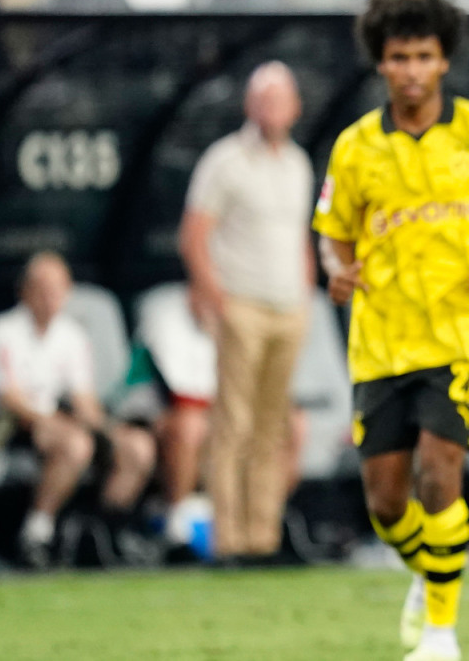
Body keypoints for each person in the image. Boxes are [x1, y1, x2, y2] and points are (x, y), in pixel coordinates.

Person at [313, 0, 469, 661]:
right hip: (380, 340)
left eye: (424, 55)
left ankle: (441, 636)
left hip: (460, 334)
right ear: (381, 64)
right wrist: (335, 268)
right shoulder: (356, 146)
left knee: (439, 473)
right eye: (399, 58)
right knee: (387, 505)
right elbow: (332, 231)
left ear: (444, 60)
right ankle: (430, 571)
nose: (412, 70)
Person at [179, 62, 316, 562]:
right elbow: (194, 234)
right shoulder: (225, 161)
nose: (271, 109)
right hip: (243, 305)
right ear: (248, 105)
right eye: (263, 99)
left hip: (288, 309)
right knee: (233, 422)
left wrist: (305, 296)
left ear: (295, 108)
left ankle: (263, 537)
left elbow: (300, 238)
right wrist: (217, 298)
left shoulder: (298, 164)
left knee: (273, 425)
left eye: (280, 99)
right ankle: (228, 539)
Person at [0, 252, 157, 568]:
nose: (50, 298)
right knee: (76, 444)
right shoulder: (1, 332)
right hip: (9, 426)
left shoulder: (71, 335)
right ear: (24, 291)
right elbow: (10, 398)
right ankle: (37, 533)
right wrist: (55, 422)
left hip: (58, 421)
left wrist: (108, 430)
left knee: (138, 447)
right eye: (42, 289)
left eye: (58, 289)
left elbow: (83, 398)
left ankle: (104, 529)